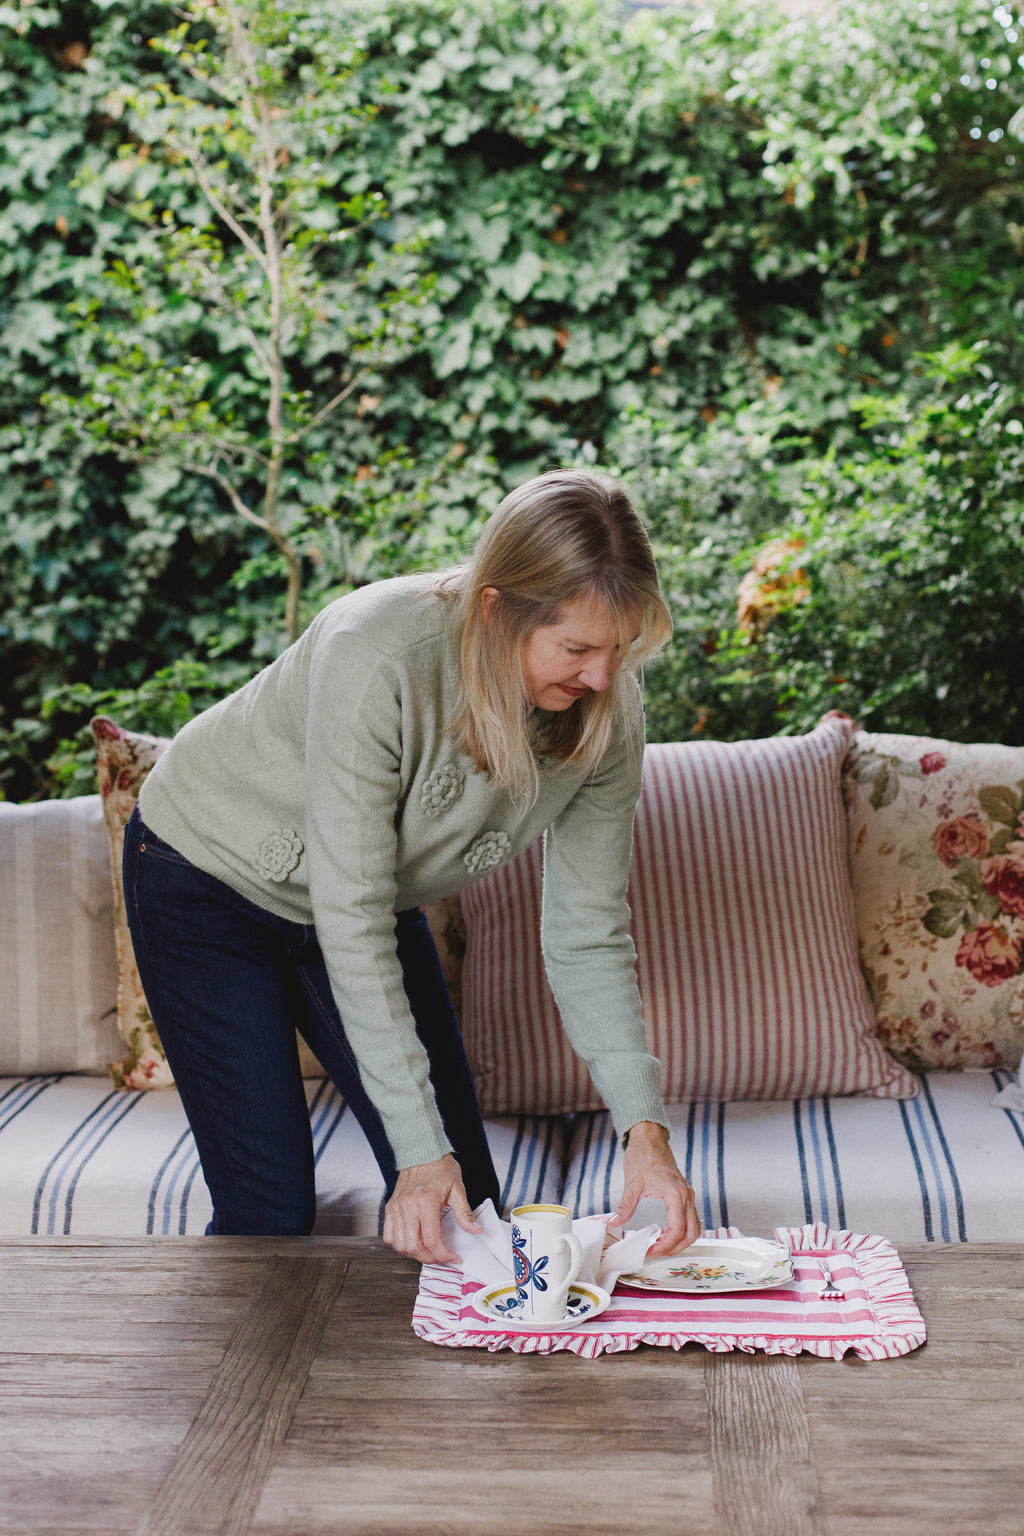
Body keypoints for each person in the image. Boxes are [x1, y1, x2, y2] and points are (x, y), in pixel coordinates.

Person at [123, 468, 701, 1263]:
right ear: (496, 609)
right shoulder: (377, 650)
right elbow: (352, 920)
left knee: (476, 1217)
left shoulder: (606, 711)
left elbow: (587, 936)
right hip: (204, 878)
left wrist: (646, 1130)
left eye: (618, 648)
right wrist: (417, 1156)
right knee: (270, 1209)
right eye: (576, 648)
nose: (601, 676)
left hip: (360, 902)